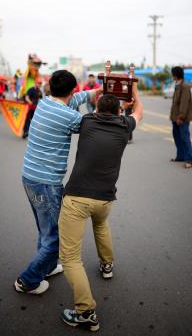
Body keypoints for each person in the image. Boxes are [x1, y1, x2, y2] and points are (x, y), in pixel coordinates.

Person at [58, 86, 143, 332]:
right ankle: (107, 265)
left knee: (71, 258)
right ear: (119, 112)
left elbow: (76, 108)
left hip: (77, 198)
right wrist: (134, 89)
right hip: (105, 198)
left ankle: (85, 312)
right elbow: (139, 110)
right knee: (101, 224)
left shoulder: (86, 122)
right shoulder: (125, 126)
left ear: (96, 109)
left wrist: (104, 97)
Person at [14, 70, 101, 295]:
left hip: (30, 177)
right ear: (71, 90)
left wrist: (96, 92)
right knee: (55, 238)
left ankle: (48, 267)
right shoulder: (68, 116)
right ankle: (28, 281)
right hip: (46, 183)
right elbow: (92, 126)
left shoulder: (44, 103)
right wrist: (104, 107)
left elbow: (75, 99)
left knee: (45, 230)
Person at [170, 66, 192, 169]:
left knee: (185, 138)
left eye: (172, 74)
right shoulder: (177, 85)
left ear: (175, 75)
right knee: (177, 136)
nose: (172, 76)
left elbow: (184, 103)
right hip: (175, 117)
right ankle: (180, 156)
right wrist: (173, 116)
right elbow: (175, 103)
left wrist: (181, 117)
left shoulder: (185, 86)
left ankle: (189, 160)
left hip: (181, 118)